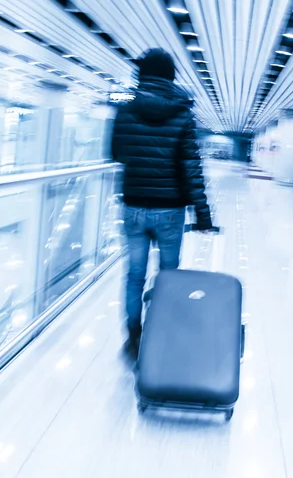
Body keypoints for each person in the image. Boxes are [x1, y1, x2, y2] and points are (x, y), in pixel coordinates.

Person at [111, 48, 213, 361]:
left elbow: (116, 153)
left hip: (134, 208)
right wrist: (204, 214)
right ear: (170, 78)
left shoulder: (126, 111)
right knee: (169, 274)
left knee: (134, 276)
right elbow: (191, 168)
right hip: (170, 210)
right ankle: (161, 330)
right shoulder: (183, 114)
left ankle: (133, 339)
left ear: (143, 75)